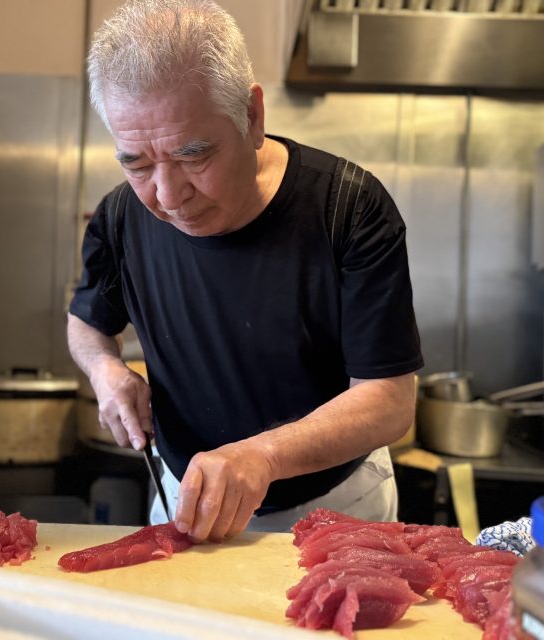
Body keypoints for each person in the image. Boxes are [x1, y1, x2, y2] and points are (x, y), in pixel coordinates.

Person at [67, 0, 422, 543]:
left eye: (193, 155)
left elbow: (390, 400)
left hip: (335, 506)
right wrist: (106, 373)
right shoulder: (121, 217)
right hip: (183, 497)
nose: (166, 195)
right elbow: (88, 322)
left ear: (252, 117)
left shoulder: (347, 207)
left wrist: (265, 454)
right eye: (136, 162)